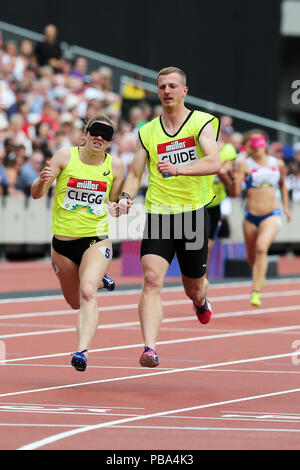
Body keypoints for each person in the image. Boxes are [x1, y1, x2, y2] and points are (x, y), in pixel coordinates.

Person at [108, 66, 220, 368]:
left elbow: (214, 161)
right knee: (151, 279)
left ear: (184, 91)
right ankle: (150, 347)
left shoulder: (202, 122)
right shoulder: (147, 131)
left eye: (172, 86)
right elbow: (134, 173)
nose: (167, 91)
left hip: (193, 215)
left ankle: (200, 301)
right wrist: (127, 197)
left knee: (193, 287)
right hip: (159, 213)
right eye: (162, 87)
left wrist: (179, 169)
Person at [31, 115, 125, 372]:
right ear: (85, 133)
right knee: (74, 302)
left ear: (110, 142)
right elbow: (37, 194)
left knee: (87, 292)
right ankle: (98, 276)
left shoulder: (115, 166)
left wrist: (121, 207)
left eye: (106, 135)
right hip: (62, 244)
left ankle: (81, 351)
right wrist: (41, 180)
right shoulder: (64, 157)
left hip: (96, 239)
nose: (99, 138)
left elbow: (114, 205)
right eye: (95, 132)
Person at [230, 130, 291, 307]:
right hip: (250, 216)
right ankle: (259, 275)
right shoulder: (245, 164)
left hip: (271, 214)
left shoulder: (277, 163)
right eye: (254, 148)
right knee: (251, 257)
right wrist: (236, 181)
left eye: (260, 147)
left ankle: (255, 292)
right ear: (250, 147)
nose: (257, 151)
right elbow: (234, 194)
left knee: (261, 248)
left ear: (265, 146)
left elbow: (283, 185)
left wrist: (286, 208)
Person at [206, 138, 237, 276]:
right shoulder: (195, 147)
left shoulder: (228, 150)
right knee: (193, 247)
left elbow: (230, 185)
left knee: (207, 246)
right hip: (194, 202)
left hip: (215, 203)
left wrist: (222, 171)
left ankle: (203, 283)